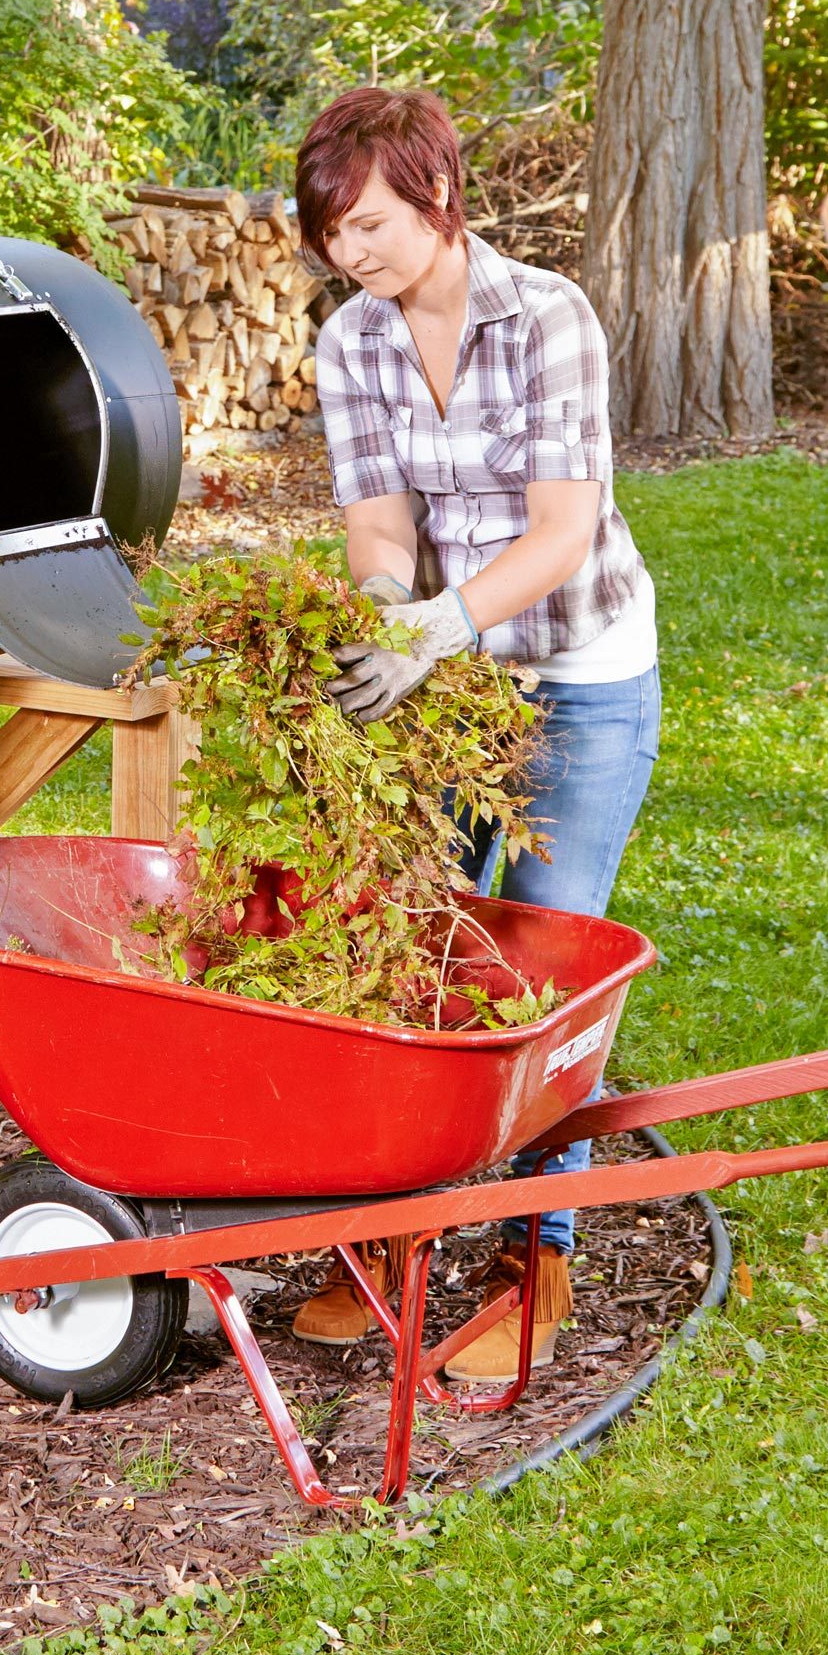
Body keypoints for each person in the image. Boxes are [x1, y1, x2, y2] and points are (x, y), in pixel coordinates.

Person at [287, 87, 661, 1380]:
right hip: (450, 691)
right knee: (423, 941)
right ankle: (394, 1238)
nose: (355, 252)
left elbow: (561, 531)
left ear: (441, 201)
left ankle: (529, 1259)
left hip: (579, 678)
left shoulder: (546, 315)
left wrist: (440, 626)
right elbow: (380, 525)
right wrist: (392, 609)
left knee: (543, 962)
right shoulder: (354, 344)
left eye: (376, 222)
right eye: (334, 231)